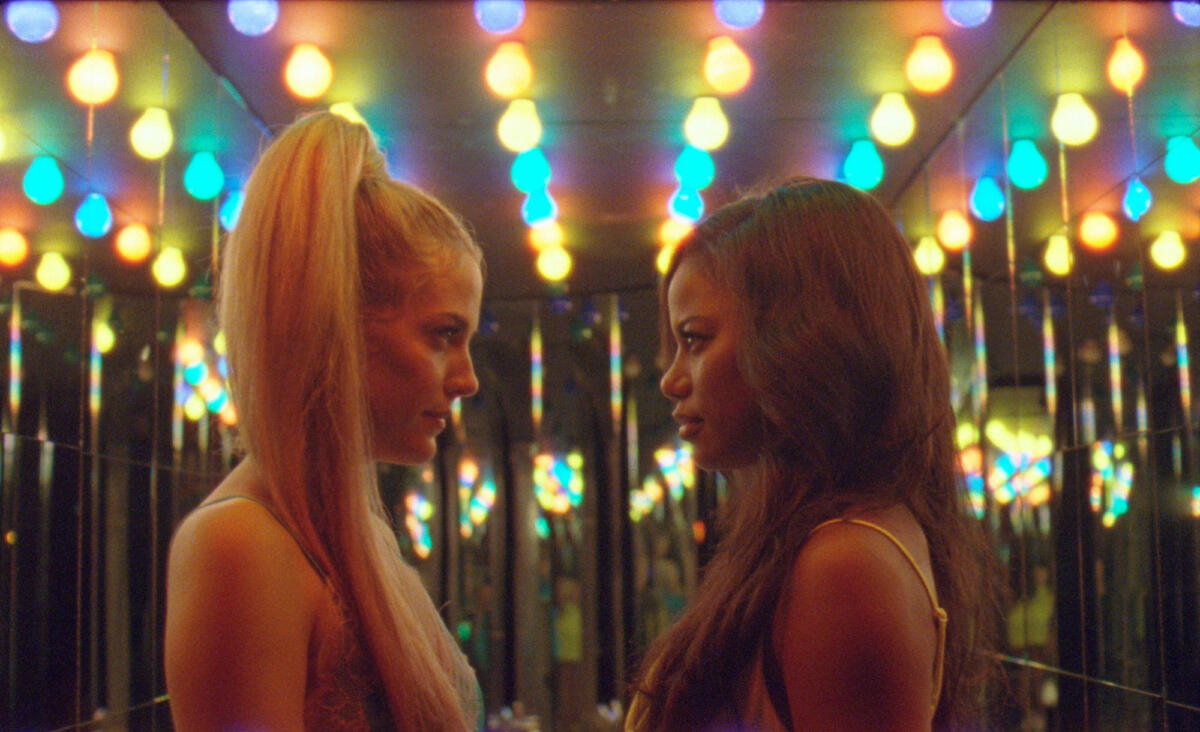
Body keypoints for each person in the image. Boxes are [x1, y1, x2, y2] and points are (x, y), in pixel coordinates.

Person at [626, 178, 1002, 731]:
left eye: (695, 340)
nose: (672, 380)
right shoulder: (831, 539)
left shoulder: (845, 561)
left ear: (799, 340)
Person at [164, 112, 483, 730]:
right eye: (444, 334)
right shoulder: (240, 543)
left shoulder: (357, 533)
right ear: (342, 324)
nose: (467, 378)